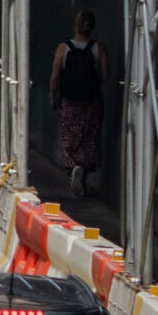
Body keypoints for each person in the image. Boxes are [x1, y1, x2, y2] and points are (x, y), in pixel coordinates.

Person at [50, 11, 108, 197]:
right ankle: (82, 175)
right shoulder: (99, 48)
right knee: (89, 139)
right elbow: (105, 76)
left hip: (70, 100)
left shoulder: (63, 48)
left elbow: (55, 76)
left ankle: (74, 166)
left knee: (69, 137)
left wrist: (53, 96)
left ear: (76, 24)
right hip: (92, 101)